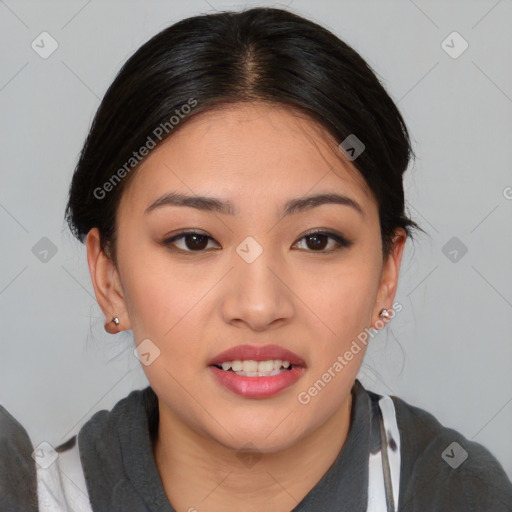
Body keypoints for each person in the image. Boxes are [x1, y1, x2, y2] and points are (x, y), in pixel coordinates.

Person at [1, 6, 511, 512]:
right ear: (109, 277)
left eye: (316, 240)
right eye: (195, 241)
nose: (260, 305)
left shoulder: (462, 495)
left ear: (386, 275)